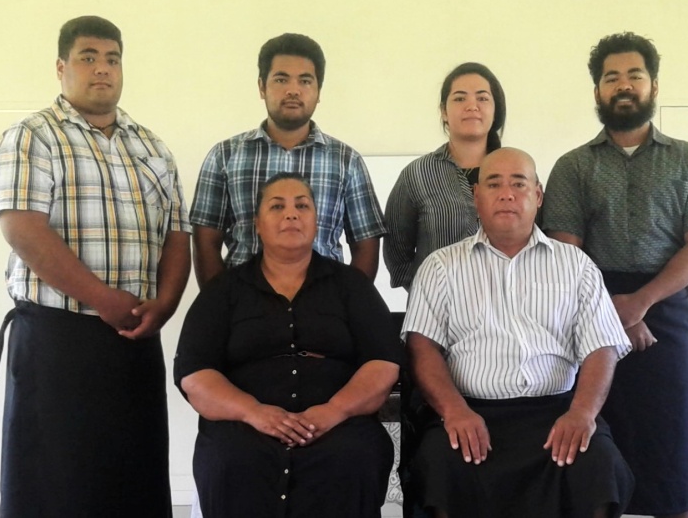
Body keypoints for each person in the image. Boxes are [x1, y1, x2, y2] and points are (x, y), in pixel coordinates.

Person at [0, 16, 191, 517]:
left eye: (112, 59)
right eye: (88, 57)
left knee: (135, 478)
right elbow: (23, 229)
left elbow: (177, 236)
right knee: (56, 486)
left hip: (134, 340)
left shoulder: (152, 147)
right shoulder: (31, 136)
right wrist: (104, 299)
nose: (102, 69)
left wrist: (164, 306)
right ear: (62, 67)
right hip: (56, 341)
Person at [404, 148, 634, 518]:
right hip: (470, 412)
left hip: (557, 411)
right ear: (476, 196)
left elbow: (601, 347)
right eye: (494, 183)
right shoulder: (440, 266)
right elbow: (422, 347)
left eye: (519, 183)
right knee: (439, 465)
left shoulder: (575, 265)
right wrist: (454, 410)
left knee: (599, 466)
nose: (507, 193)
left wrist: (582, 414)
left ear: (538, 196)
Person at [542, 32, 688, 518]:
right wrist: (613, 311)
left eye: (633, 76)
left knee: (671, 453)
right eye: (610, 77)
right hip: (587, 315)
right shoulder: (573, 167)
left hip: (668, 313)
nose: (623, 86)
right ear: (597, 91)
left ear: (653, 86)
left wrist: (641, 303)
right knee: (594, 456)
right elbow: (565, 254)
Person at [175, 172, 402, 518]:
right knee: (231, 459)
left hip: (338, 422)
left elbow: (383, 363)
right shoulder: (224, 291)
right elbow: (194, 374)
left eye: (302, 205)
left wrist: (334, 410)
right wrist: (253, 412)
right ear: (258, 224)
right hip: (244, 425)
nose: (291, 214)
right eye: (277, 206)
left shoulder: (351, 287)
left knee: (353, 457)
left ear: (316, 220)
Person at [190, 33, 385, 287]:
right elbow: (205, 241)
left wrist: (348, 304)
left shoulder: (346, 161)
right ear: (262, 86)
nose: (293, 90)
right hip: (243, 309)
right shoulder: (225, 156)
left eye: (305, 81)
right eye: (281, 79)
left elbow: (366, 244)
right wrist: (222, 306)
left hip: (325, 308)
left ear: (318, 90)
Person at [384, 62, 506, 291]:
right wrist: (428, 294)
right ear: (443, 111)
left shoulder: (517, 174)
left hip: (507, 315)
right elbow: (397, 254)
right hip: (435, 318)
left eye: (482, 98)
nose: (472, 106)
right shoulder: (417, 174)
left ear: (495, 109)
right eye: (460, 99)